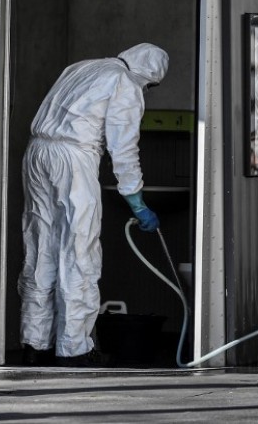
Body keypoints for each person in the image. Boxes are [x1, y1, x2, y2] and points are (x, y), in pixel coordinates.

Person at [18, 42, 169, 366]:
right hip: (74, 158)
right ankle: (75, 350)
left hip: (37, 153)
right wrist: (137, 202)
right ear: (148, 75)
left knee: (41, 248)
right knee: (79, 252)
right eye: (151, 86)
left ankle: (34, 342)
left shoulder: (82, 67)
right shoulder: (125, 83)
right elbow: (123, 147)